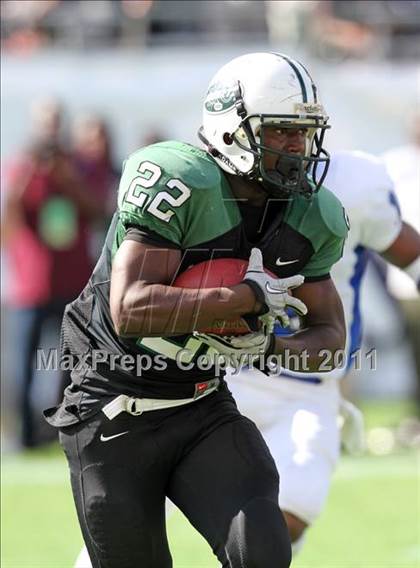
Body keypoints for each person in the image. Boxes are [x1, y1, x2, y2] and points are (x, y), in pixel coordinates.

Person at [46, 52, 349, 568]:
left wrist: (271, 346)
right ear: (232, 129)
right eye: (281, 132)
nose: (299, 147)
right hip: (113, 408)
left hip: (203, 404)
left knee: (263, 554)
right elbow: (131, 308)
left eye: (305, 132)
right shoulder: (182, 182)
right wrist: (247, 300)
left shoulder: (309, 213)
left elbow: (331, 338)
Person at [226, 149, 420, 555]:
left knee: (291, 514)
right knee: (135, 516)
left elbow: (410, 253)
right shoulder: (210, 177)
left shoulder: (355, 181)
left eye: (300, 127)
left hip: (306, 381)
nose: (292, 140)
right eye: (278, 127)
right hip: (218, 374)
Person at [1, 99, 104, 448]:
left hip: (71, 285)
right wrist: (28, 176)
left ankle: (62, 431)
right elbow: (7, 225)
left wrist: (67, 177)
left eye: (55, 121)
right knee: (23, 365)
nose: (50, 129)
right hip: (29, 288)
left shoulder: (77, 167)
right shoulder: (20, 168)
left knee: (68, 364)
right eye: (45, 122)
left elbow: (97, 212)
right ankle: (24, 437)